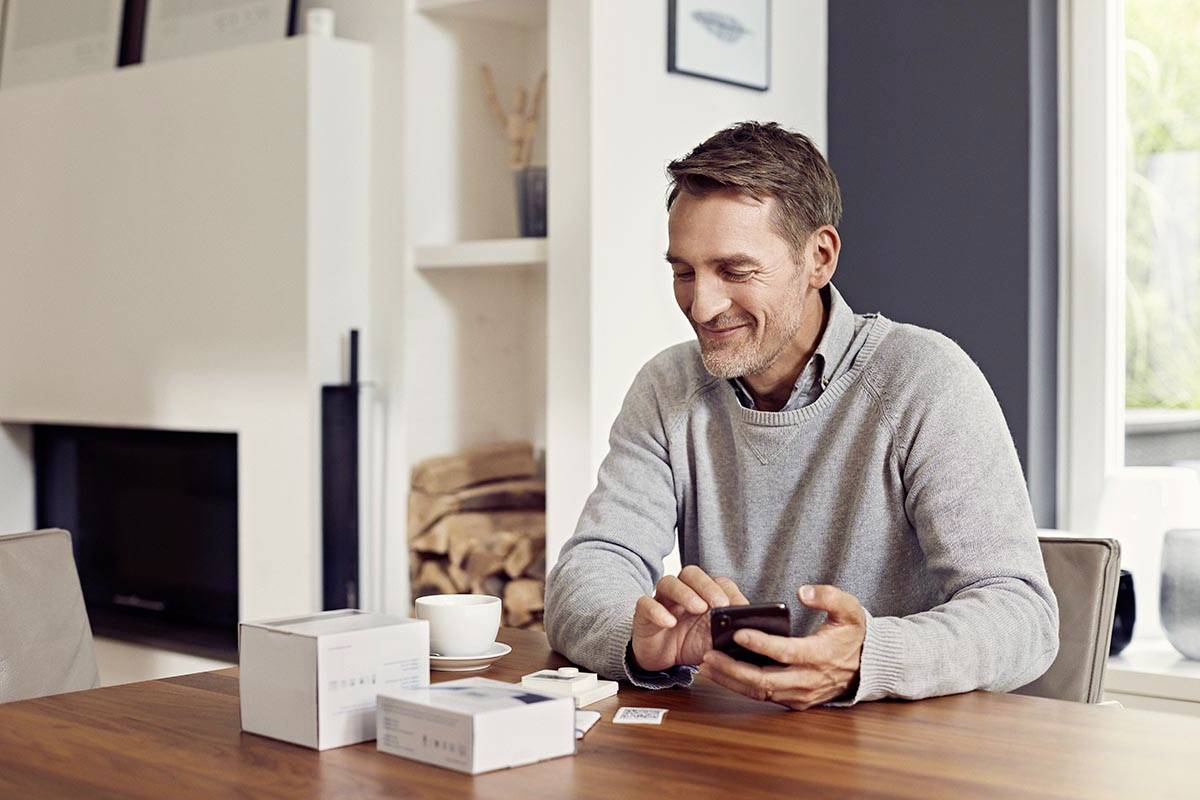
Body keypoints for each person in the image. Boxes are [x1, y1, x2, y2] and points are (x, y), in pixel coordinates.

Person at [543, 121, 1059, 709]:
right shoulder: (667, 388)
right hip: (733, 745)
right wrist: (637, 642)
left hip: (899, 752)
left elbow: (1023, 617)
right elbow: (591, 566)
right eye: (684, 272)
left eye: (735, 272)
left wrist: (869, 657)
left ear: (818, 257)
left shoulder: (924, 380)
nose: (702, 305)